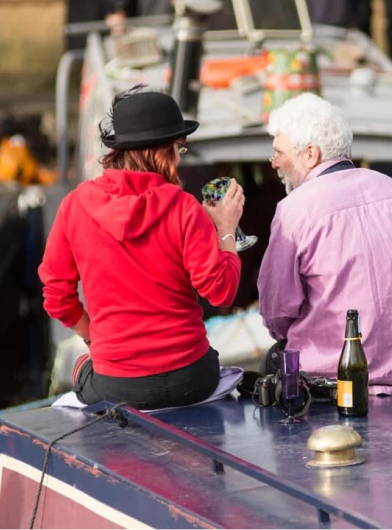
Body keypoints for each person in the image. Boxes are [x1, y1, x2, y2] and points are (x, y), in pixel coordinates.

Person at [38, 88, 245, 410]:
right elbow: (222, 292)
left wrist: (95, 338)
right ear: (162, 153)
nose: (180, 157)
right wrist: (226, 230)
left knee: (82, 367)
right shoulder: (184, 208)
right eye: (180, 148)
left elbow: (57, 299)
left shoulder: (75, 206)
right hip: (191, 380)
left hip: (116, 385)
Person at [257, 93, 392, 395]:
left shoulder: (295, 210)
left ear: (310, 154)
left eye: (278, 152)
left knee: (272, 364)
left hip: (334, 381)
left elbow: (276, 313)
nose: (274, 163)